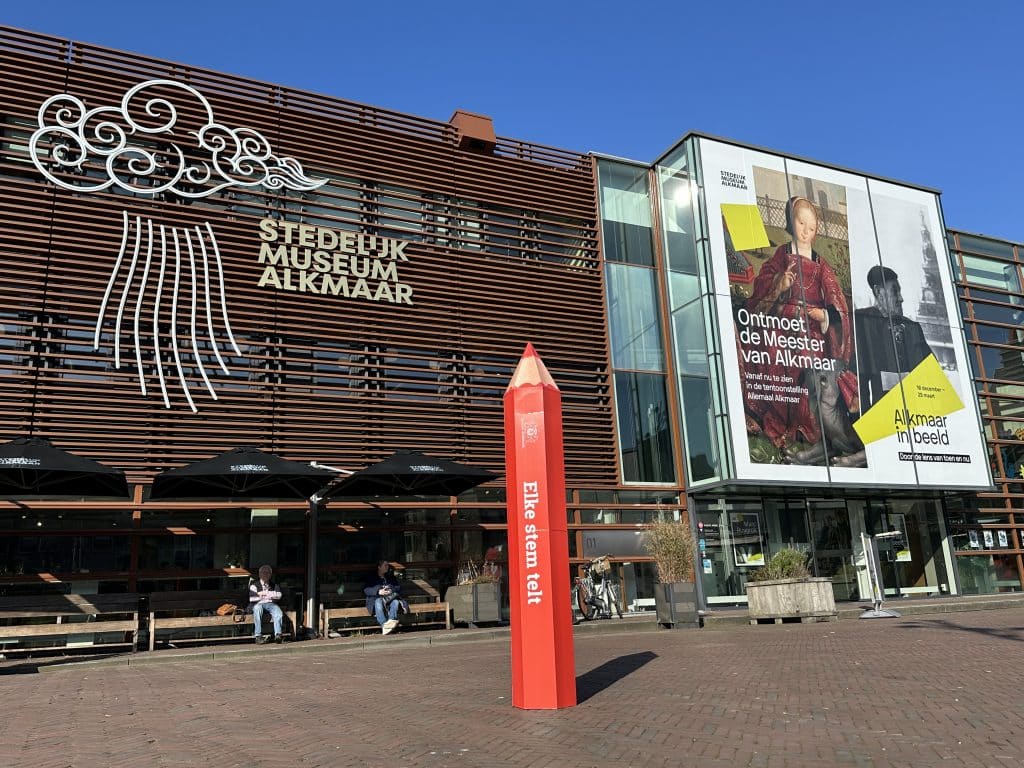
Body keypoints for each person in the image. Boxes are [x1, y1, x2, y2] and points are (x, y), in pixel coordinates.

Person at [743, 196, 858, 451]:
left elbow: (837, 300)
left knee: (809, 360)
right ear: (790, 221)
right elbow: (763, 284)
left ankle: (806, 425)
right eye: (801, 223)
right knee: (772, 350)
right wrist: (780, 284)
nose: (806, 231)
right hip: (781, 322)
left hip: (812, 328)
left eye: (812, 227)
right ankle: (779, 418)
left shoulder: (820, 264)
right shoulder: (782, 255)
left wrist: (823, 315)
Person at [854, 265, 935, 412]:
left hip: (918, 415)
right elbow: (858, 382)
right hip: (881, 417)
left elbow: (932, 375)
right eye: (895, 291)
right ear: (878, 292)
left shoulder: (912, 328)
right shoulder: (861, 321)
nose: (901, 299)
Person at [363, 559, 405, 635]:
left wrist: (391, 590)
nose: (387, 567)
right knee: (378, 601)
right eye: (385, 565)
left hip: (389, 599)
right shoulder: (372, 578)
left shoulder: (390, 577)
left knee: (395, 602)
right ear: (379, 567)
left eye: (387, 565)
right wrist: (378, 591)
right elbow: (366, 590)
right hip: (376, 600)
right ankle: (384, 624)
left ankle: (389, 624)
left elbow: (398, 587)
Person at [249, 564, 284, 644]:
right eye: (263, 572)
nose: (265, 574)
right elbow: (252, 599)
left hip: (270, 604)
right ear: (259, 574)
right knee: (257, 609)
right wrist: (271, 595)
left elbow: (279, 595)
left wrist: (263, 594)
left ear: (270, 575)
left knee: (278, 611)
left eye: (267, 573)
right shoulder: (254, 585)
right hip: (258, 604)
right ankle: (258, 636)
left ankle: (278, 635)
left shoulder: (274, 585)